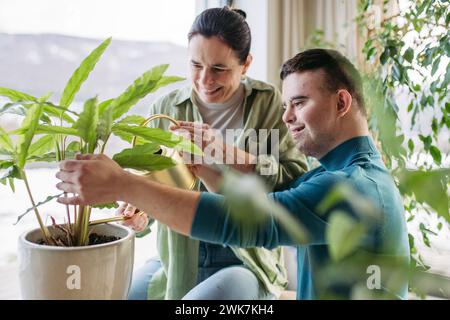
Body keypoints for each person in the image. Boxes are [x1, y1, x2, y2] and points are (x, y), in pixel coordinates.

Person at [55, 48, 410, 299]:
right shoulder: (336, 174)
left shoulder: (353, 187)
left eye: (299, 103)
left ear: (342, 103)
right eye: (286, 105)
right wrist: (202, 167)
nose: (287, 118)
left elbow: (249, 222)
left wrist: (123, 183)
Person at [90, 7, 307, 300]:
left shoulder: (268, 104)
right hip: (179, 257)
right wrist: (139, 215)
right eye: (195, 65)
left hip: (244, 257)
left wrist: (221, 151)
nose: (205, 80)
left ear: (246, 65)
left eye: (219, 69)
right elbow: (152, 190)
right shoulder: (166, 110)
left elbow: (295, 182)